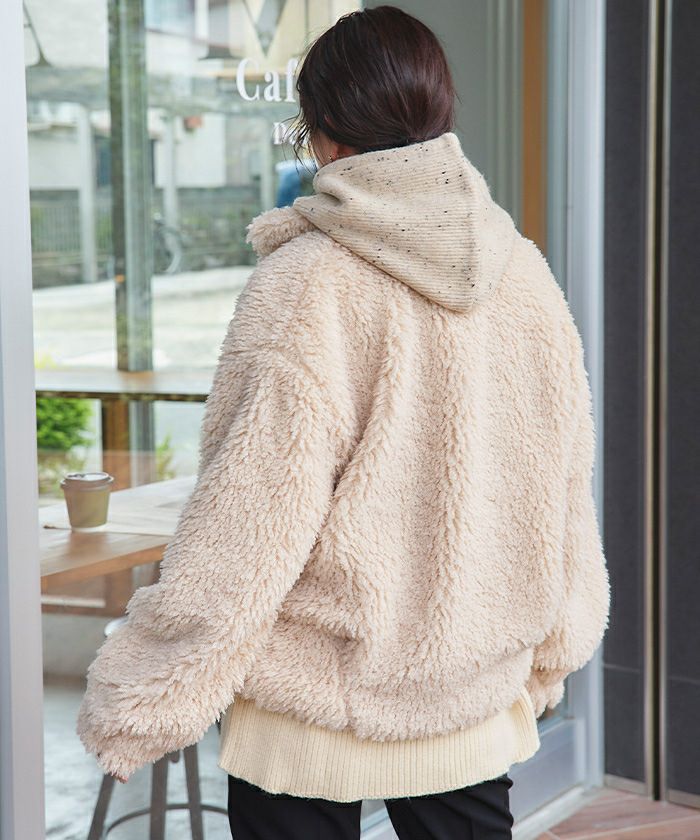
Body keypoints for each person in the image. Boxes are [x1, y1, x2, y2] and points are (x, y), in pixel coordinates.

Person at [76, 6, 611, 839]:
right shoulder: (525, 276)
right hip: (467, 688)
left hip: (312, 699)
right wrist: (553, 647)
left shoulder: (306, 284)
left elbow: (249, 518)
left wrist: (146, 693)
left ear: (323, 134)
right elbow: (562, 483)